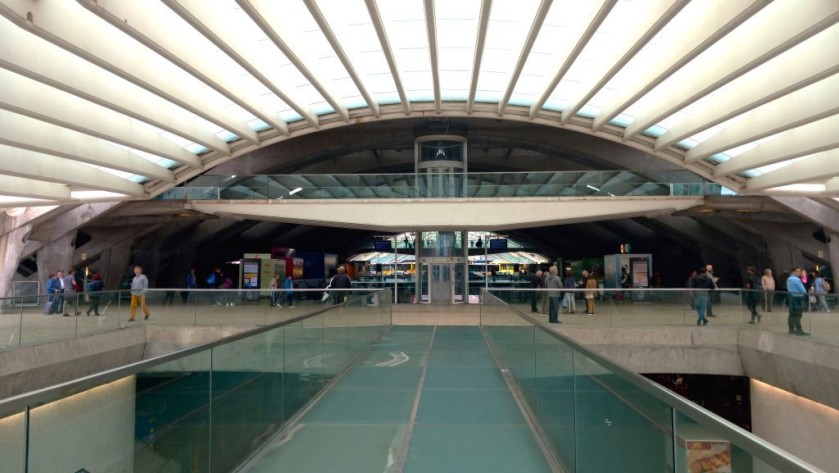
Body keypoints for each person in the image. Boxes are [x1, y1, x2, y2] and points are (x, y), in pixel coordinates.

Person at [786, 267, 808, 335]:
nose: (799, 272)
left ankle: (791, 329)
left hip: (791, 297)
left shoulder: (789, 279)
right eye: (797, 271)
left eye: (799, 271)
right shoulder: (796, 279)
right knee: (798, 314)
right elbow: (803, 290)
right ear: (793, 272)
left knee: (792, 314)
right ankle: (799, 330)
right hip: (797, 298)